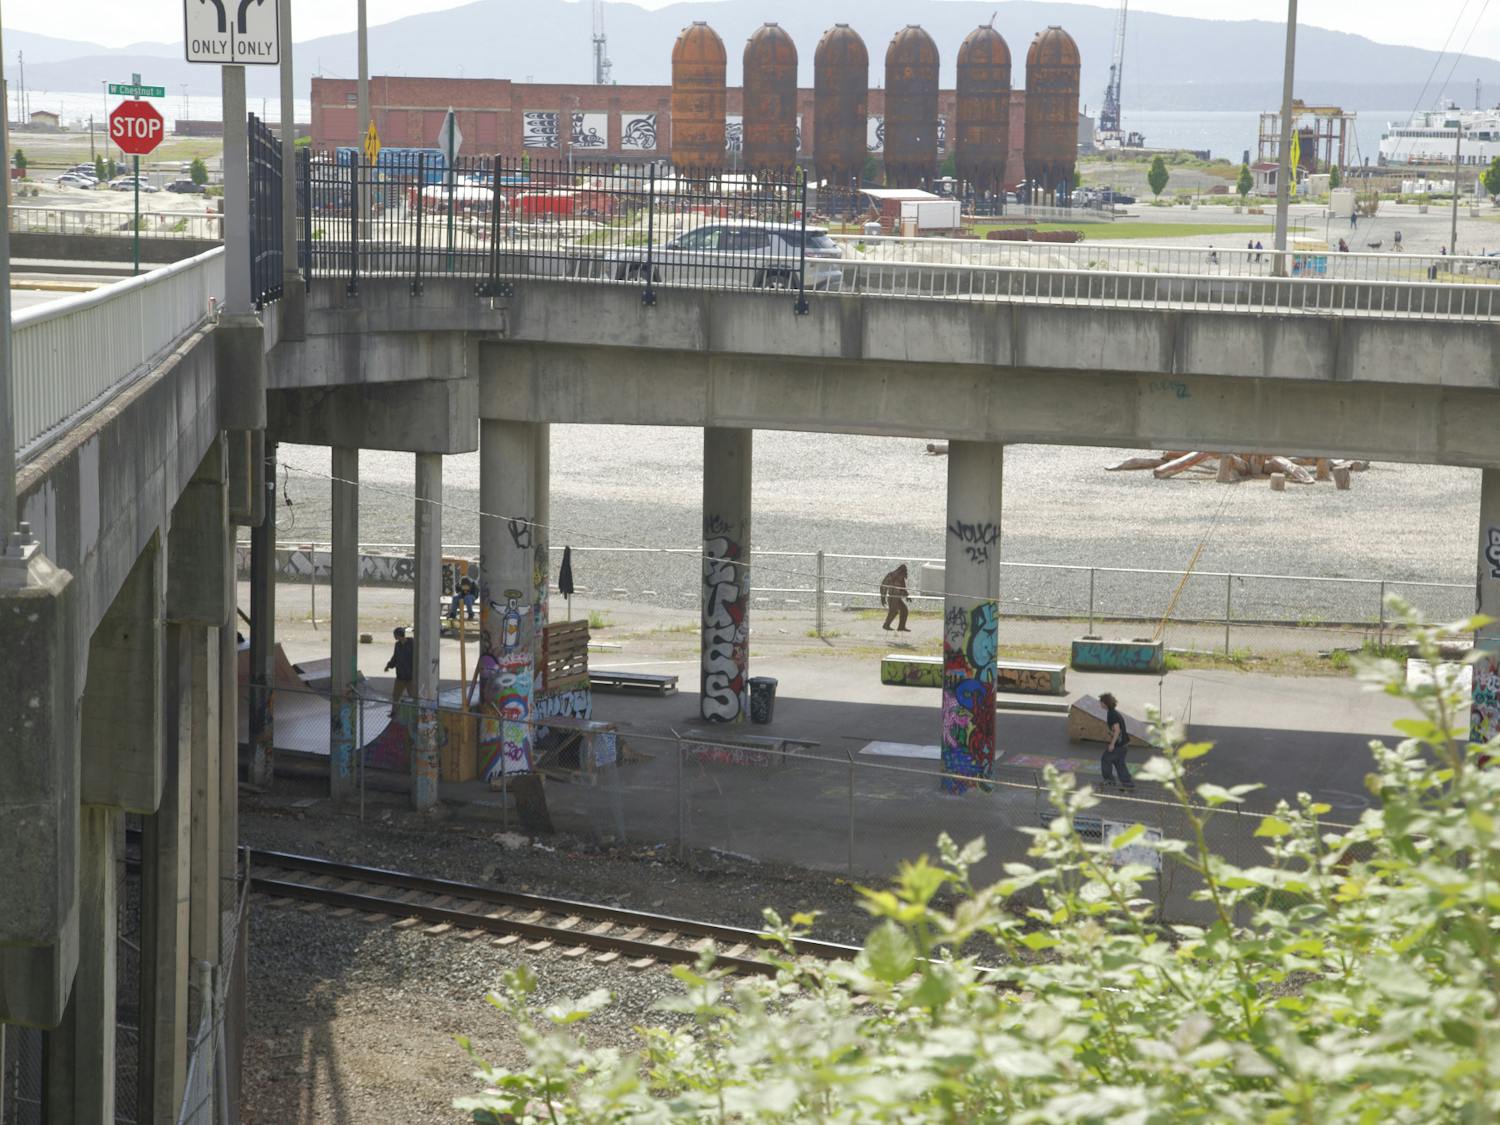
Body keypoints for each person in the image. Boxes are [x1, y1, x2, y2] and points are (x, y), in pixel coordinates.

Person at [1099, 692, 1133, 790]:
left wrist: (1112, 744)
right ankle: (1127, 783)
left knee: (1105, 759)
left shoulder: (1112, 715)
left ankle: (1109, 780)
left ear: (1105, 703)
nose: (1100, 704)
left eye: (1100, 702)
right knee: (1119, 763)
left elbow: (1117, 730)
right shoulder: (1113, 712)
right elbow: (1116, 730)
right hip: (1124, 743)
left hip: (1119, 745)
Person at [384, 626, 415, 717]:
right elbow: (395, 657)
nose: (394, 636)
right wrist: (389, 665)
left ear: (398, 635)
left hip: (410, 677)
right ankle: (394, 712)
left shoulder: (412, 644)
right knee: (396, 696)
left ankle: (416, 713)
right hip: (400, 676)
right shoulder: (397, 645)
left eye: (395, 635)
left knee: (413, 696)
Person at [880, 564, 911, 632]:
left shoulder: (901, 577)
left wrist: (907, 596)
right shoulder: (891, 575)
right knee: (893, 611)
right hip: (892, 597)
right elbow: (884, 586)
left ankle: (901, 627)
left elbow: (903, 588)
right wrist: (883, 597)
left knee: (904, 610)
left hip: (897, 598)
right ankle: (886, 625)